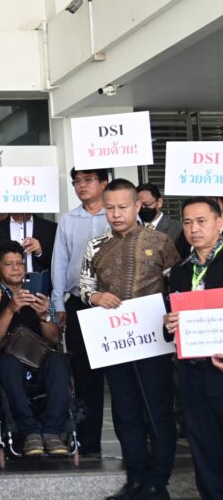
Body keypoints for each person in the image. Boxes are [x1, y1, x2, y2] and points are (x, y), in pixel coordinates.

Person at [80, 179, 180, 500]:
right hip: (114, 340)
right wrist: (95, 297)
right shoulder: (95, 246)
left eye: (123, 207)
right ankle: (135, 477)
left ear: (138, 205)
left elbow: (176, 286)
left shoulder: (160, 241)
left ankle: (158, 480)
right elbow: (84, 287)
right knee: (125, 410)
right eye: (110, 208)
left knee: (158, 409)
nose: (116, 214)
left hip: (153, 339)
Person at [164, 198, 223, 500]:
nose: (194, 229)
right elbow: (170, 324)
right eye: (187, 222)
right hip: (192, 372)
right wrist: (168, 323)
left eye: (201, 221)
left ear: (219, 223)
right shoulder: (180, 271)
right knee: (204, 448)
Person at [51, 166, 110, 458]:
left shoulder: (118, 214)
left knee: (122, 377)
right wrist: (58, 303)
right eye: (77, 181)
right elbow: (60, 262)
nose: (81, 186)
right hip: (78, 303)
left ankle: (135, 441)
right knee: (85, 376)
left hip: (115, 304)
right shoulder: (68, 219)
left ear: (104, 182)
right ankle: (88, 444)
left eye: (88, 180)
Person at [0, 241, 70, 457]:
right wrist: (10, 309)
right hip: (8, 362)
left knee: (59, 360)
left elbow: (54, 338)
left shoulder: (37, 295)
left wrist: (44, 315)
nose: (16, 268)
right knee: (7, 363)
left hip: (38, 359)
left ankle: (53, 432)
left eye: (19, 263)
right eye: (9, 264)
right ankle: (30, 432)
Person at [0, 211, 57, 285]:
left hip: (41, 287)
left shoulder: (51, 228)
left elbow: (58, 263)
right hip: (4, 290)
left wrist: (40, 252)